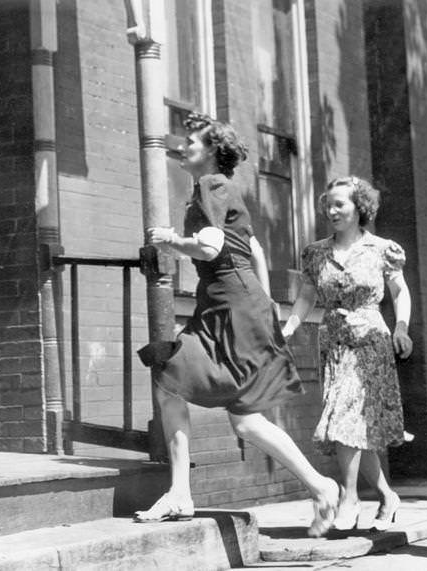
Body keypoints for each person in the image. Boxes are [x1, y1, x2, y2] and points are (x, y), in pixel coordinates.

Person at [136, 112, 340, 537]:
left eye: (191, 141)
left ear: (212, 152)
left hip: (231, 308)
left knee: (170, 375)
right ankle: (321, 486)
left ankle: (179, 493)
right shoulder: (221, 189)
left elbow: (210, 250)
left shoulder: (212, 185)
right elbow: (255, 249)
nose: (183, 146)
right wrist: (266, 305)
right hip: (230, 306)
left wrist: (171, 240)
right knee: (244, 418)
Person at [281, 176, 412, 532]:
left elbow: (400, 292)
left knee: (345, 422)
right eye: (329, 203)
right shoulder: (315, 252)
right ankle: (387, 494)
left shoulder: (383, 249)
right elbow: (307, 295)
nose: (332, 210)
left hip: (371, 339)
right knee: (352, 428)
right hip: (334, 342)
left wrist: (402, 327)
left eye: (340, 204)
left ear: (360, 208)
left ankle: (350, 498)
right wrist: (291, 326)